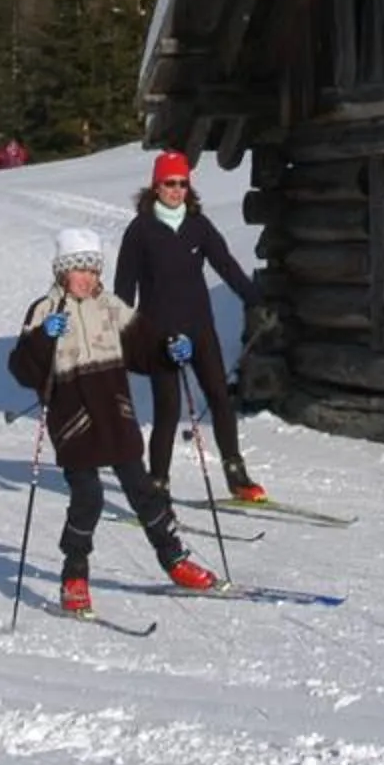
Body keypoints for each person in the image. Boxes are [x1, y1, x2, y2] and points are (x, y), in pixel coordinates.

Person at [7, 225, 221, 615]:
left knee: (144, 492)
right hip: (74, 423)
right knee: (89, 498)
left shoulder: (111, 307)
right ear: (61, 271)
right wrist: (42, 338)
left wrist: (170, 347)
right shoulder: (44, 311)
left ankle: (175, 561)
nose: (87, 278)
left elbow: (145, 346)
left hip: (115, 415)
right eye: (79, 269)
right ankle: (74, 576)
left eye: (92, 269)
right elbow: (22, 369)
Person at [115, 149, 266, 503]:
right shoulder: (140, 230)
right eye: (170, 183)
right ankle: (157, 485)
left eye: (183, 183)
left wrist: (255, 298)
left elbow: (226, 265)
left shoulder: (198, 225)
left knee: (219, 397)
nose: (177, 190)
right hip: (158, 335)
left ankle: (235, 473)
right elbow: (124, 287)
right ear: (156, 186)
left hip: (200, 328)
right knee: (167, 410)